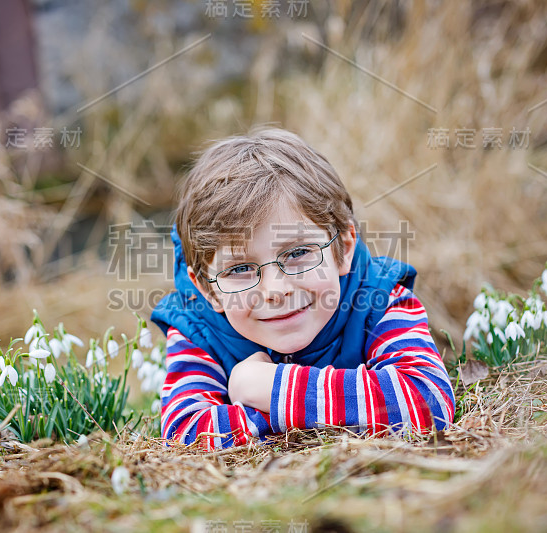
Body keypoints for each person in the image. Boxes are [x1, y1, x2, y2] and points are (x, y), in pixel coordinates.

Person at [150, 127, 455, 450]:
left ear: (345, 247)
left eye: (297, 253)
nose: (276, 290)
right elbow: (184, 436)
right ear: (209, 290)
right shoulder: (199, 328)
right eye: (239, 269)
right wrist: (333, 411)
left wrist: (267, 389)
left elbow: (428, 400)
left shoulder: (378, 297)